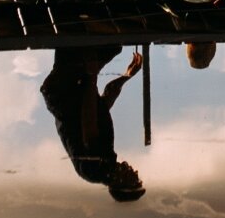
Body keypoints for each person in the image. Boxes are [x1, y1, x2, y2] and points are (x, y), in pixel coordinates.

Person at [39, 44, 146, 202]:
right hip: (72, 88)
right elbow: (103, 104)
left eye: (135, 180)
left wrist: (91, 74)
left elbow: (88, 120)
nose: (136, 173)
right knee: (110, 48)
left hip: (62, 92)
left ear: (120, 183)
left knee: (89, 47)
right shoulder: (107, 161)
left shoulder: (97, 169)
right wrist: (126, 76)